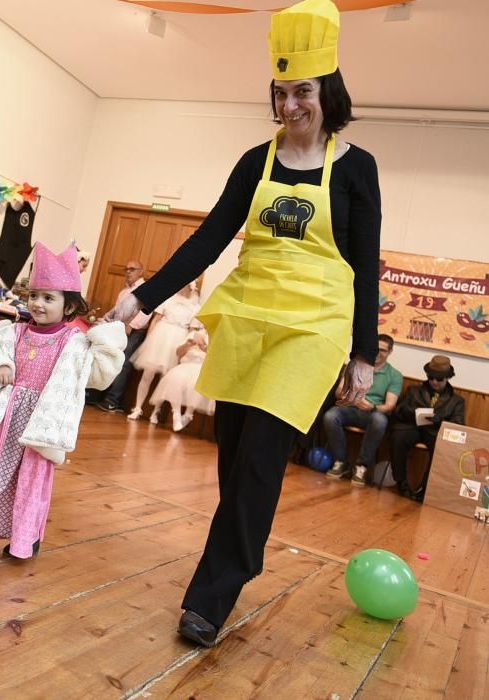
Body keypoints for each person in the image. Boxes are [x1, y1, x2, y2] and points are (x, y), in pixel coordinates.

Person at [106, 0, 381, 647]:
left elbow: (365, 266)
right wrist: (142, 297)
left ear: (328, 92)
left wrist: (363, 352)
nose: (291, 105)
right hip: (246, 322)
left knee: (258, 465)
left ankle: (210, 598)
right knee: (234, 466)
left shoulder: (356, 168)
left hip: (310, 333)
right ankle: (240, 556)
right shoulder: (255, 162)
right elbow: (206, 241)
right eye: (282, 93)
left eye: (304, 92)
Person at [0, 243, 126, 558]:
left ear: (69, 307)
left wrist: (104, 342)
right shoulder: (12, 332)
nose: (38, 304)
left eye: (48, 298)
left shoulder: (74, 342)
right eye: (34, 296)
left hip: (42, 424)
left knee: (31, 485)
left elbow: (99, 376)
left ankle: (25, 539)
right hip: (9, 421)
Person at [323, 334, 402, 486]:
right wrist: (355, 398)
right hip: (350, 406)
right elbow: (339, 392)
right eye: (376, 349)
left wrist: (373, 407)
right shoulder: (355, 365)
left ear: (390, 352)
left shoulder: (394, 375)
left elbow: (389, 405)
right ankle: (341, 461)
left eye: (383, 350)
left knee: (379, 420)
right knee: (330, 416)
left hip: (372, 412)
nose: (378, 353)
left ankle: (361, 466)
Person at [388, 355, 466, 502]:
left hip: (435, 432)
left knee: (442, 446)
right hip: (411, 426)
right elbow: (398, 411)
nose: (434, 382)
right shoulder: (414, 390)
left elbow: (459, 425)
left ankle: (425, 488)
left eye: (439, 379)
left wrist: (439, 420)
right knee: (398, 436)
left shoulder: (457, 401)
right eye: (431, 378)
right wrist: (412, 413)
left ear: (447, 378)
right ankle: (401, 482)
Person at [127, 283, 200, 423]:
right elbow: (155, 319)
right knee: (148, 373)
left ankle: (155, 412)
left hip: (179, 337)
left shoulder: (195, 306)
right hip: (161, 335)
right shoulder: (169, 298)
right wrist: (149, 340)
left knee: (166, 378)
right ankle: (137, 408)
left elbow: (192, 330)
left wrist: (185, 348)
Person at [95, 260, 150, 413]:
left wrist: (131, 326)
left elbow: (147, 311)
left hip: (134, 331)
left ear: (141, 271)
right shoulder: (124, 292)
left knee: (123, 363)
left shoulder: (145, 288)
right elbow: (118, 309)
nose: (128, 272)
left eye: (132, 269)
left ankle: (112, 400)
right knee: (110, 358)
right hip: (119, 328)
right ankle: (100, 393)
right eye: (126, 269)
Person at [150, 322, 215, 431]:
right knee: (174, 377)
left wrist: (205, 348)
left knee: (197, 382)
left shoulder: (216, 339)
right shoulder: (194, 333)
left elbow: (217, 359)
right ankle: (176, 413)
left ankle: (188, 415)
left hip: (202, 368)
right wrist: (187, 345)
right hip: (186, 365)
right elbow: (178, 353)